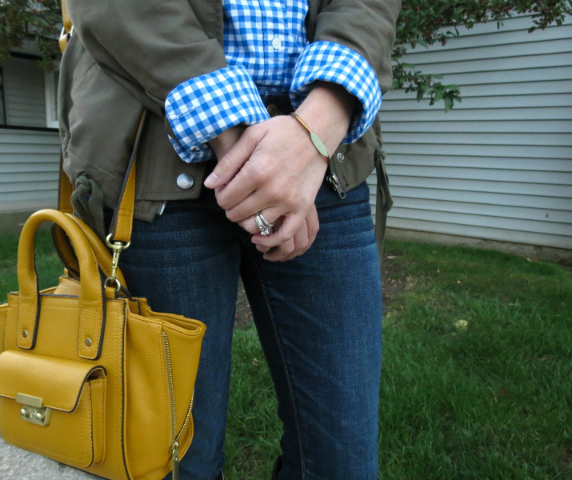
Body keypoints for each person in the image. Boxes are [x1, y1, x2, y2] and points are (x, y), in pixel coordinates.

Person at [58, 1, 401, 478]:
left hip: (323, 164)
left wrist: (317, 127)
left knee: (342, 459)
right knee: (173, 456)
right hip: (155, 156)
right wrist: (246, 149)